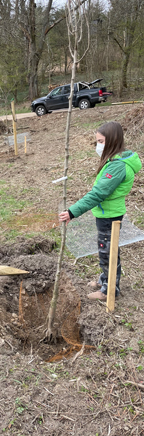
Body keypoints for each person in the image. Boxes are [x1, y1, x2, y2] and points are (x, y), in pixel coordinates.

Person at [59, 121, 142, 301]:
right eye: (97, 141)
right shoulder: (115, 160)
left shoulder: (118, 166)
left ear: (112, 140)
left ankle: (109, 290)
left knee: (108, 253)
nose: (98, 145)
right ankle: (105, 280)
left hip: (110, 216)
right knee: (105, 250)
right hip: (107, 213)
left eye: (101, 141)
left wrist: (72, 211)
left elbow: (98, 193)